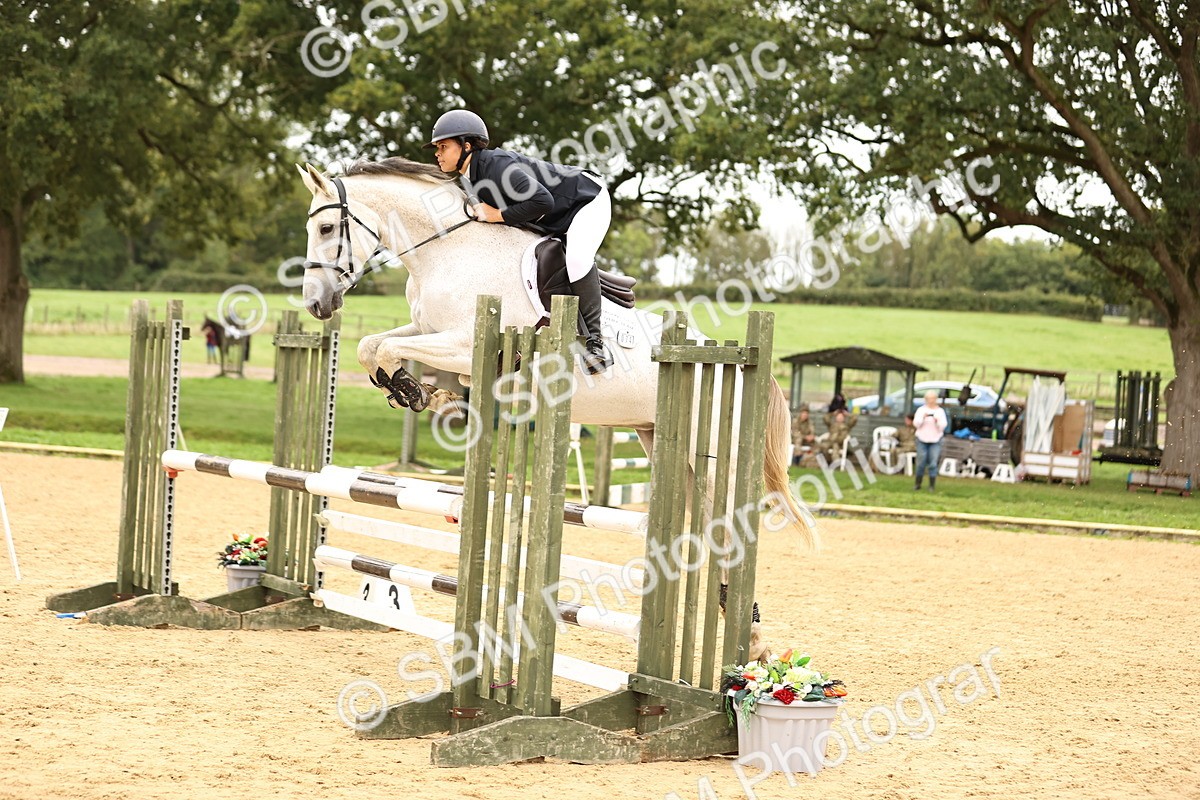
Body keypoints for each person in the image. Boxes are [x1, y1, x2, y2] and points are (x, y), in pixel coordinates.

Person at [425, 109, 613, 374]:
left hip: (586, 200)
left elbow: (543, 201)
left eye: (443, 146)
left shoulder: (497, 166)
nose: (437, 153)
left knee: (576, 258)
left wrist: (496, 215)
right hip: (554, 215)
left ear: (466, 146)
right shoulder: (471, 178)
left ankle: (595, 345)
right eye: (437, 148)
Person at [913, 391, 948, 491]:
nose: (931, 401)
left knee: (933, 463)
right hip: (922, 439)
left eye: (933, 398)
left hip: (935, 440)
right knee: (921, 463)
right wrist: (923, 418)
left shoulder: (940, 411)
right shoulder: (921, 410)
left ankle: (931, 486)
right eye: (929, 398)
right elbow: (916, 424)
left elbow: (943, 426)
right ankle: (917, 484)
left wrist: (937, 421)